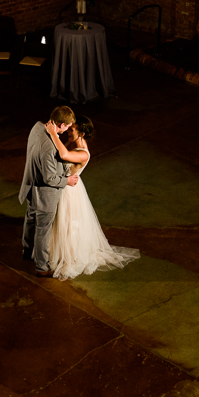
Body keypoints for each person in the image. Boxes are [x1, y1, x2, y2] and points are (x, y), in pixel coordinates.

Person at [44, 117, 140, 280]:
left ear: (81, 133)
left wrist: (53, 134)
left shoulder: (82, 153)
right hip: (63, 184)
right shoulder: (73, 143)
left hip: (68, 191)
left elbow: (63, 154)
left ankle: (69, 254)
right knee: (57, 221)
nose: (68, 131)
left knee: (67, 222)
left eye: (72, 129)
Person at [19, 106, 79, 277]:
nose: (68, 130)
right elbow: (50, 178)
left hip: (30, 185)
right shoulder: (50, 147)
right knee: (43, 228)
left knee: (31, 218)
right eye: (67, 126)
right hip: (45, 194)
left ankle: (27, 250)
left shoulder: (37, 127)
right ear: (60, 124)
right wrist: (67, 181)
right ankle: (42, 267)